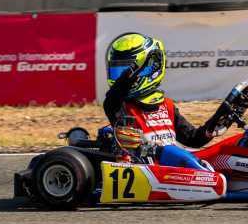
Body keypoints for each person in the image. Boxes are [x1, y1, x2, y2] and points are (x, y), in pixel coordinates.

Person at [101, 33, 237, 171]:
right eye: (117, 72)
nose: (121, 77)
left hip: (173, 172)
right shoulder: (119, 106)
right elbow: (112, 98)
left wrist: (216, 121)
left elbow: (193, 139)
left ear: (152, 68)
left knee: (237, 143)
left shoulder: (167, 106)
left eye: (126, 71)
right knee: (170, 152)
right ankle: (205, 174)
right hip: (143, 173)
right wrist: (130, 74)